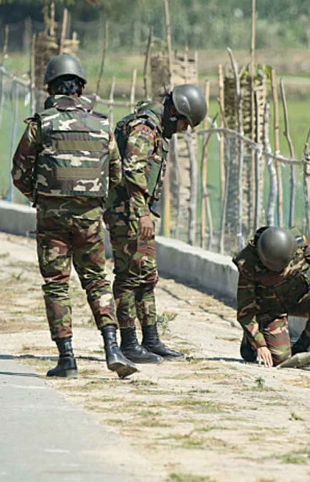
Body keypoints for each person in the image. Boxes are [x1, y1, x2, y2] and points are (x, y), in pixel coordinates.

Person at [11, 54, 137, 379]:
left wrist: (41, 197)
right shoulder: (102, 124)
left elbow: (19, 172)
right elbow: (117, 175)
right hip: (90, 217)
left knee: (56, 285)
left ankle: (67, 359)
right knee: (96, 280)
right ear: (80, 88)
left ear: (51, 88)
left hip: (51, 218)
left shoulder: (42, 124)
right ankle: (112, 347)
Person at [105, 84, 208, 363]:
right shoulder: (145, 127)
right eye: (186, 123)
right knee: (128, 277)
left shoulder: (156, 126)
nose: (185, 130)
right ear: (176, 112)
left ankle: (150, 340)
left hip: (135, 210)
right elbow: (132, 169)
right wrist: (142, 213)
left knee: (147, 275)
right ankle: (128, 343)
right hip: (126, 211)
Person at [233, 226, 310, 367]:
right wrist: (260, 344)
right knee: (279, 359)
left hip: (298, 298)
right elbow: (245, 311)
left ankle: (300, 348)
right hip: (271, 309)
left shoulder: (299, 244)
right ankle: (250, 341)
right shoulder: (248, 263)